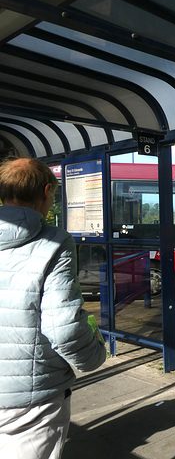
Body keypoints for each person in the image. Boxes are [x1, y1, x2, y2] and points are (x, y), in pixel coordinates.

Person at [0, 157, 106, 459]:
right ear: (47, 191)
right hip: (30, 400)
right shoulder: (54, 243)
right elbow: (65, 329)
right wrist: (96, 355)